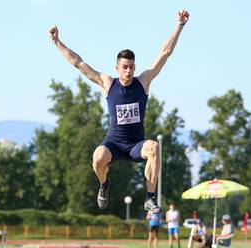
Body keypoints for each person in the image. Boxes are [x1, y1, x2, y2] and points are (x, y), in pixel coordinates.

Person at [48, 11, 190, 214]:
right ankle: (104, 184)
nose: (129, 71)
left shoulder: (143, 82)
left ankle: (150, 198)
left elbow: (165, 52)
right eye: (125, 67)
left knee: (154, 147)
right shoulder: (108, 83)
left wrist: (180, 25)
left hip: (135, 145)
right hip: (114, 144)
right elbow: (78, 63)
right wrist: (57, 42)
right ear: (117, 67)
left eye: (132, 67)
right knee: (97, 158)